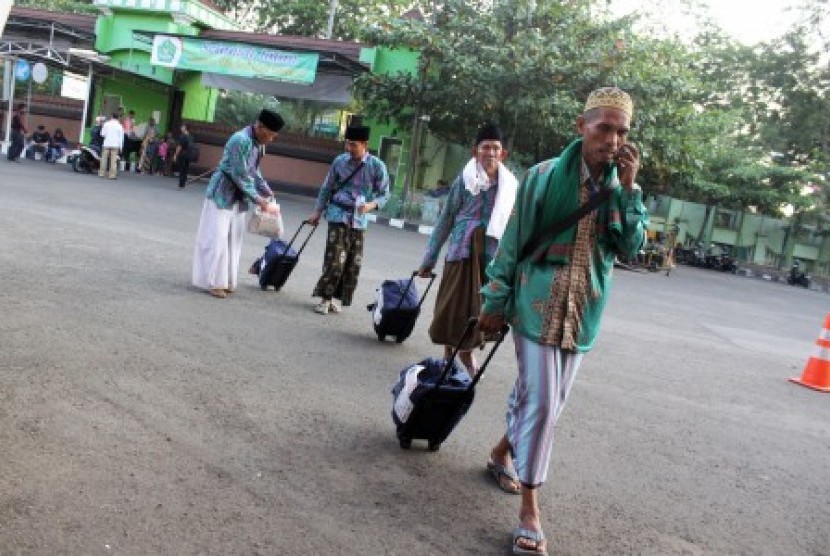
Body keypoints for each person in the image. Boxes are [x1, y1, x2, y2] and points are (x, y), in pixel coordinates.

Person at [477, 87, 648, 555]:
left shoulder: (621, 187)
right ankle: (530, 510)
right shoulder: (543, 176)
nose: (613, 139)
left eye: (622, 131)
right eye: (604, 127)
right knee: (546, 404)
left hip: (584, 311)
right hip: (534, 306)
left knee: (543, 400)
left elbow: (631, 248)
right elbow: (513, 243)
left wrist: (630, 192)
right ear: (582, 126)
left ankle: (500, 453)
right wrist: (494, 300)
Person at [416, 123, 518, 374]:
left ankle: (464, 351)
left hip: (492, 257)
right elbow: (446, 218)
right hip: (461, 252)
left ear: (503, 153)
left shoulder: (511, 186)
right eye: (486, 148)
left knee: (481, 308)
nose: (491, 153)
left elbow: (516, 223)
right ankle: (453, 351)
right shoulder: (464, 181)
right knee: (454, 306)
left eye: (496, 148)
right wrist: (429, 257)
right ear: (476, 151)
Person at [192, 109, 284, 299]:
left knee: (233, 239)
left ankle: (226, 280)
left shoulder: (258, 144)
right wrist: (260, 200)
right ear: (260, 127)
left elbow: (254, 172)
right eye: (271, 134)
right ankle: (213, 282)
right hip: (222, 194)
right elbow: (240, 175)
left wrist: (266, 189)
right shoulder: (239, 140)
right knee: (216, 239)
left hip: (238, 197)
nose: (272, 139)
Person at [308, 116, 390, 315]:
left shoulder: (377, 166)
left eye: (353, 145)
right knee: (334, 260)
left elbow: (385, 193)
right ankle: (324, 299)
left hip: (359, 220)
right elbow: (327, 188)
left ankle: (333, 298)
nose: (349, 148)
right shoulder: (340, 161)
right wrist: (317, 212)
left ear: (365, 145)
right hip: (338, 214)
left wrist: (372, 204)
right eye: (347, 144)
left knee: (352, 264)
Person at [99, 113, 124, 179]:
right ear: (118, 118)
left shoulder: (106, 124)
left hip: (106, 143)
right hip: (115, 145)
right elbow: (121, 138)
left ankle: (101, 173)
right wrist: (121, 147)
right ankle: (112, 175)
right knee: (113, 161)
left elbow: (102, 134)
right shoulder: (119, 126)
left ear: (111, 117)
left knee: (104, 159)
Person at [173, 123, 194, 188]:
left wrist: (175, 155)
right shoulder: (191, 137)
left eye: (182, 127)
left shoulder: (182, 136)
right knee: (186, 169)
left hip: (183, 154)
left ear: (185, 128)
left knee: (182, 169)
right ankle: (183, 184)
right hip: (189, 155)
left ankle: (181, 184)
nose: (181, 128)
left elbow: (179, 146)